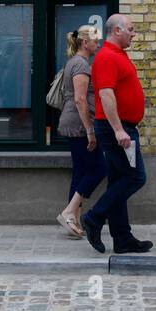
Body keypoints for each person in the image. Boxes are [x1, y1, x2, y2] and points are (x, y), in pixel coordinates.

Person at [81, 13, 153, 255]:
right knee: (135, 177)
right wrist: (120, 129)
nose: (134, 33)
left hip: (122, 127)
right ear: (117, 31)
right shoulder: (107, 57)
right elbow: (106, 95)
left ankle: (122, 238)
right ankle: (94, 218)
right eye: (131, 29)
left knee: (118, 180)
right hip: (116, 129)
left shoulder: (119, 55)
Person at [56, 24, 106, 237]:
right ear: (85, 42)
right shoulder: (82, 65)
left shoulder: (74, 62)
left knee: (81, 171)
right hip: (78, 125)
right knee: (98, 169)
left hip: (73, 123)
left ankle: (73, 219)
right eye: (96, 40)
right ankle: (68, 212)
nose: (98, 44)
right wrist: (90, 130)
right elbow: (79, 99)